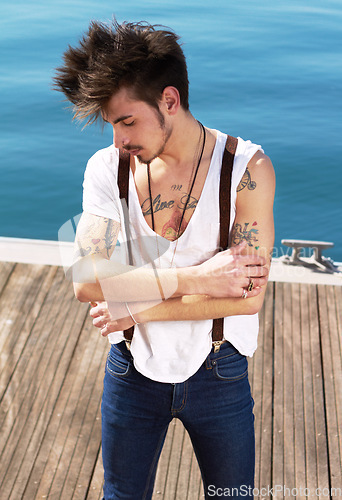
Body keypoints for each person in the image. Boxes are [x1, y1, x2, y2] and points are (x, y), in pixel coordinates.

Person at [54, 19, 275, 499]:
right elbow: (88, 282)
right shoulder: (105, 169)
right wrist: (200, 278)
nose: (118, 140)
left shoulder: (246, 169)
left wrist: (133, 306)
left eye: (127, 121)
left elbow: (247, 299)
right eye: (113, 124)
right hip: (131, 371)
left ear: (169, 101)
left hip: (221, 371)